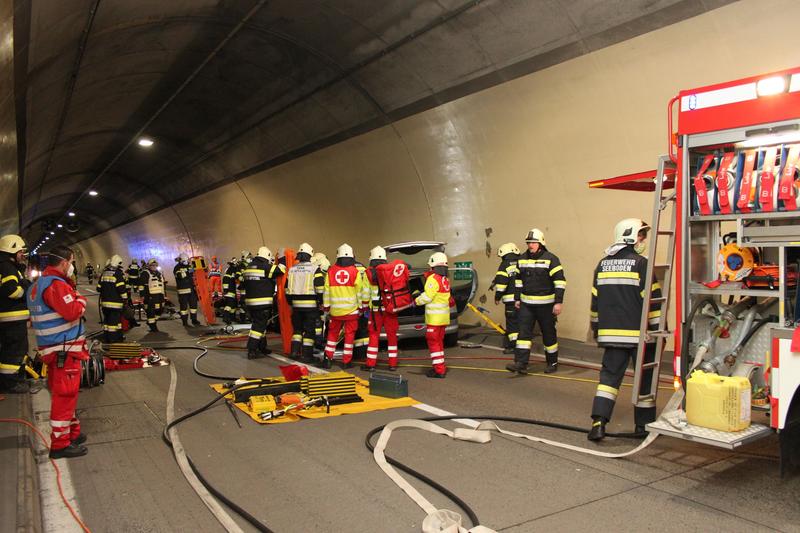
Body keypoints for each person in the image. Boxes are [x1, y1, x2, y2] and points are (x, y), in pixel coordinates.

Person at [588, 219, 661, 441]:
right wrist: (658, 332)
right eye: (641, 235)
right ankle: (643, 427)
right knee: (645, 380)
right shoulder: (642, 264)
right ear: (630, 236)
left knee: (608, 381)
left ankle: (598, 423)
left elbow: (595, 303)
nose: (644, 240)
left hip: (611, 337)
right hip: (640, 336)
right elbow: (653, 301)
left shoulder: (601, 264)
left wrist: (597, 329)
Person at [27, 245, 89, 458]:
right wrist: (81, 299)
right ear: (64, 262)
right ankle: (60, 444)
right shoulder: (55, 285)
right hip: (64, 349)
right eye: (71, 262)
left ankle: (72, 432)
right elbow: (72, 311)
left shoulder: (36, 286)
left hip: (53, 349)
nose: (71, 266)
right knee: (65, 394)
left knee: (66, 394)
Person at [508, 229, 566, 374]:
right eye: (528, 242)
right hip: (526, 304)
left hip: (546, 305)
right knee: (523, 334)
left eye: (533, 242)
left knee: (548, 334)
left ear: (541, 243)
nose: (530, 245)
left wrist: (558, 302)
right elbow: (518, 281)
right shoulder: (521, 259)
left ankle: (552, 362)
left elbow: (560, 282)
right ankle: (521, 363)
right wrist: (517, 298)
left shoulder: (551, 259)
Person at [322, 244, 368, 369]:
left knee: (332, 335)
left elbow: (326, 291)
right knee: (349, 335)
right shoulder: (355, 271)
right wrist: (362, 306)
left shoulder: (331, 271)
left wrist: (326, 307)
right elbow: (360, 291)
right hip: (351, 311)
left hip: (335, 311)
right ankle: (346, 361)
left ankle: (327, 359)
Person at [0, 234, 31, 393]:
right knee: (14, 350)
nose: (22, 255)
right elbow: (12, 291)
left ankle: (14, 378)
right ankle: (10, 383)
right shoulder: (7, 267)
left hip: (10, 319)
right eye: (20, 252)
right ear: (11, 251)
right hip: (11, 319)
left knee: (12, 349)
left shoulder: (8, 266)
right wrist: (26, 286)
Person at [362, 246, 401, 372]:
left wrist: (364, 306)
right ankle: (393, 364)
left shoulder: (368, 273)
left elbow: (365, 292)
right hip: (390, 308)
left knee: (373, 335)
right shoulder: (390, 271)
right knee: (392, 336)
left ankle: (371, 364)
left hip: (375, 311)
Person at [242, 247, 285, 359]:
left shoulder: (249, 267)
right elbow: (280, 271)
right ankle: (252, 349)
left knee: (259, 325)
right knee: (258, 326)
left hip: (250, 303)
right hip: (261, 303)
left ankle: (262, 347)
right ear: (267, 255)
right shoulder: (264, 266)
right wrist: (282, 258)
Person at [414, 252, 452, 378]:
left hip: (434, 319)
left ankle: (439, 370)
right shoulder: (445, 279)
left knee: (433, 343)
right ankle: (440, 366)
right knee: (439, 343)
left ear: (433, 266)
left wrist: (416, 300)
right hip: (443, 318)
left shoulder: (433, 279)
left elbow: (428, 297)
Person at [286, 243, 323, 362]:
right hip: (310, 306)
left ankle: (294, 352)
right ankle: (307, 355)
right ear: (310, 255)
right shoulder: (314, 269)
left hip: (296, 306)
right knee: (309, 331)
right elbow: (320, 288)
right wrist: (321, 301)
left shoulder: (292, 270)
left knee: (297, 330)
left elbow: (287, 289)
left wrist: (290, 303)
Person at [493, 243, 521, 354]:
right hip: (523, 300)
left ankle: (513, 346)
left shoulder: (504, 265)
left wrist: (497, 297)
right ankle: (522, 345)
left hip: (511, 301)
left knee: (512, 324)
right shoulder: (522, 261)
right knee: (522, 323)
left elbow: (501, 284)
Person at [97, 254, 127, 342]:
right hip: (115, 304)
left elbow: (98, 288)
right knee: (114, 324)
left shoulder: (104, 273)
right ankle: (113, 340)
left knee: (107, 322)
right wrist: (125, 299)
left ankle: (109, 337)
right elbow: (121, 289)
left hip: (105, 304)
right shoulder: (117, 273)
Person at [173, 253, 201, 327]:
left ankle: (194, 319)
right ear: (181, 260)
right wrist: (188, 272)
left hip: (191, 290)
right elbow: (180, 276)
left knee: (193, 306)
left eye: (187, 260)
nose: (186, 262)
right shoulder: (177, 267)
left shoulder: (189, 266)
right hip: (183, 291)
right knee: (184, 308)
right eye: (184, 261)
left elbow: (194, 274)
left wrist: (195, 269)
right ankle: (184, 321)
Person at [139, 259, 165, 332]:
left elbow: (163, 285)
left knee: (160, 309)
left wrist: (164, 295)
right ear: (149, 265)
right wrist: (142, 295)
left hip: (160, 295)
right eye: (152, 265)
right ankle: (152, 326)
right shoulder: (145, 273)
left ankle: (152, 321)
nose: (154, 266)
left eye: (155, 265)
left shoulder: (159, 273)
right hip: (150, 296)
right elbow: (141, 285)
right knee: (151, 311)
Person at [311, 253, 330, 353]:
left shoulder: (323, 269)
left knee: (320, 323)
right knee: (315, 324)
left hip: (318, 302)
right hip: (313, 302)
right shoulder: (314, 271)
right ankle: (315, 343)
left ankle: (318, 342)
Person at [222, 257, 240, 324]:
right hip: (229, 291)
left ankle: (232, 318)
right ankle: (225, 317)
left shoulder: (233, 271)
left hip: (232, 291)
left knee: (234, 305)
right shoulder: (230, 270)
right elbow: (225, 279)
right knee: (230, 304)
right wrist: (226, 289)